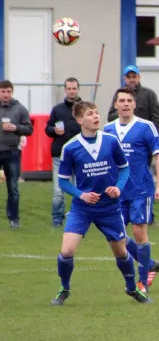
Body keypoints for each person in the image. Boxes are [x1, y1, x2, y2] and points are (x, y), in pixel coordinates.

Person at [50, 101, 151, 305]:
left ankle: (132, 289)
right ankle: (64, 288)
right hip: (82, 209)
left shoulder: (110, 141)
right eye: (90, 114)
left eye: (97, 113)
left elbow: (124, 168)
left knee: (121, 251)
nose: (96, 116)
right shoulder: (70, 147)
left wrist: (118, 188)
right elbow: (62, 180)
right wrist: (81, 195)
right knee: (67, 251)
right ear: (80, 120)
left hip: (109, 208)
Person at [104, 87, 159, 293]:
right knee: (115, 236)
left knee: (139, 231)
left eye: (129, 100)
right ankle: (148, 264)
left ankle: (142, 283)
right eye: (121, 101)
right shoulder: (107, 130)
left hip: (141, 188)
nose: (125, 104)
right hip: (117, 191)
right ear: (115, 105)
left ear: (134, 104)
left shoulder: (145, 127)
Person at [45, 77, 82, 228]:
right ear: (65, 90)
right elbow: (47, 129)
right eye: (69, 88)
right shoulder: (57, 109)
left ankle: (77, 217)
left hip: (80, 156)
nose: (72, 91)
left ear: (78, 89)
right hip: (59, 155)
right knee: (58, 190)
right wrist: (54, 130)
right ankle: (57, 219)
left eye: (74, 88)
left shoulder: (84, 109)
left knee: (78, 190)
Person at [0, 80, 33, 229]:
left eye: (8, 92)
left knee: (13, 187)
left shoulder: (19, 109)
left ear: (12, 92)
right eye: (3, 92)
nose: (6, 95)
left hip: (12, 151)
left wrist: (16, 127)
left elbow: (29, 129)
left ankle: (14, 219)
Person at [107, 65, 159, 132]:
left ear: (139, 77)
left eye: (134, 76)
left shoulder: (149, 94)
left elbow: (156, 119)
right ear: (124, 78)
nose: (131, 79)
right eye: (128, 77)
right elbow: (110, 117)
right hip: (123, 134)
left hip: (143, 134)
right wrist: (123, 111)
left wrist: (150, 135)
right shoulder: (119, 94)